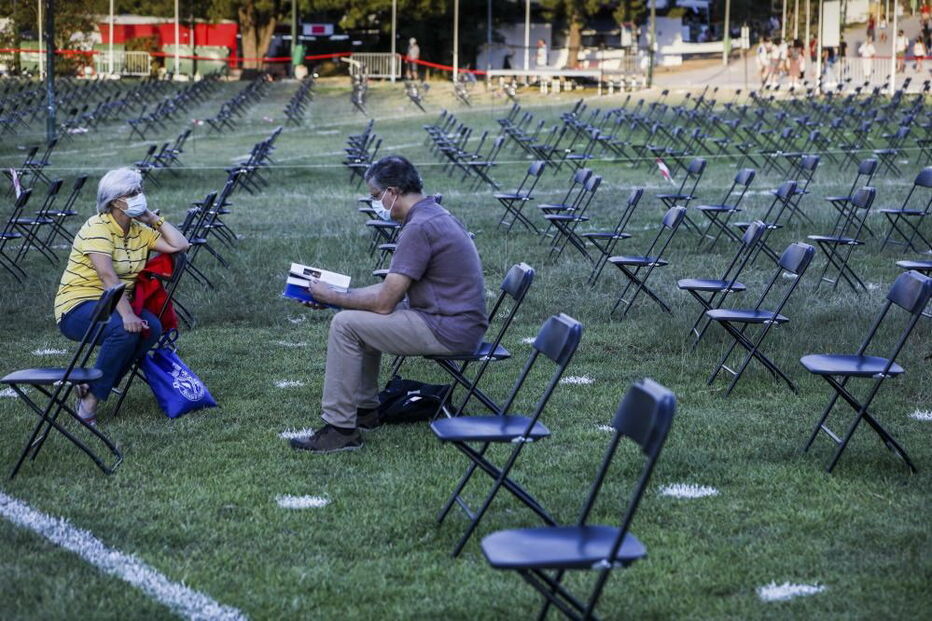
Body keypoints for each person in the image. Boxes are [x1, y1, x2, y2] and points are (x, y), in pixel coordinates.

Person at [290, 156, 487, 454]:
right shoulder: (432, 215)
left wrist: (335, 298)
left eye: (375, 196)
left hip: (448, 328)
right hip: (453, 321)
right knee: (353, 316)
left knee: (345, 325)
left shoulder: (419, 227)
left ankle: (341, 430)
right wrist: (338, 296)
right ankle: (365, 411)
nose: (375, 203)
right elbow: (390, 290)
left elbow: (384, 303)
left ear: (392, 192)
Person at [54, 168, 189, 426]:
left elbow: (180, 245)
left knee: (152, 328)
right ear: (117, 201)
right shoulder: (97, 227)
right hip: (78, 305)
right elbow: (107, 275)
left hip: (114, 303)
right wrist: (127, 315)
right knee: (125, 330)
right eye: (134, 192)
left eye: (140, 190)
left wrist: (152, 218)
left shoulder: (139, 230)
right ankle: (89, 405)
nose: (141, 195)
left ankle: (91, 387)